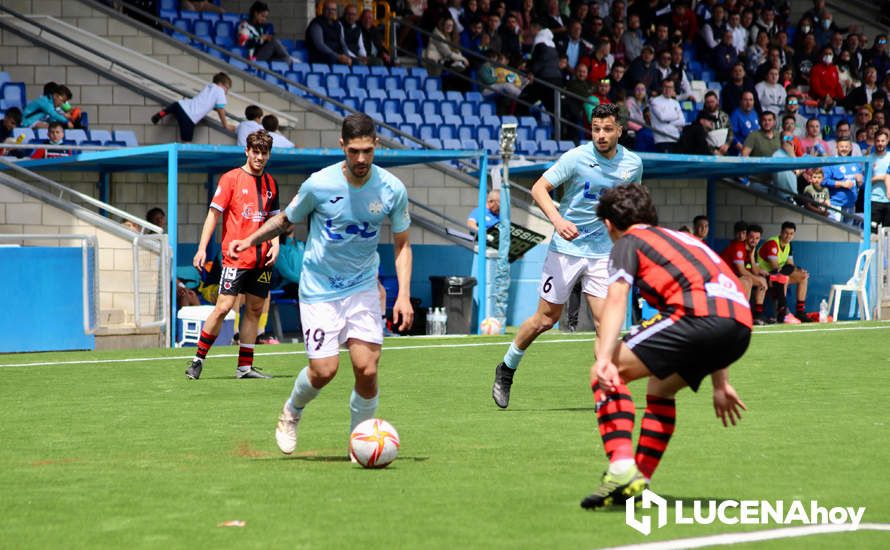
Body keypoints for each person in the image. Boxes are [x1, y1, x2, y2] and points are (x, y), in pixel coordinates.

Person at [228, 113, 414, 456]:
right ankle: (291, 411)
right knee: (324, 370)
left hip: (362, 288)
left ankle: (360, 440)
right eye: (354, 151)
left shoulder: (391, 189)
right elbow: (285, 219)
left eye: (368, 151)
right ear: (342, 146)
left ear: (377, 146)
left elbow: (402, 243)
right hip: (319, 289)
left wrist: (403, 294)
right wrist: (250, 240)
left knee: (367, 368)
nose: (361, 159)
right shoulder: (318, 184)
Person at [580, 183, 751, 509]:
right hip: (740, 325)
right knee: (660, 389)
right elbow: (718, 299)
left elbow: (617, 297)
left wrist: (604, 356)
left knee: (607, 370)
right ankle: (637, 484)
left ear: (608, 225)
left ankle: (620, 469)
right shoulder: (683, 239)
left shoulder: (629, 242)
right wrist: (721, 382)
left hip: (698, 316)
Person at [491, 104, 643, 409]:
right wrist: (558, 222)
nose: (601, 135)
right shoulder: (576, 157)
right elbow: (539, 188)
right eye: (596, 129)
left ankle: (604, 390)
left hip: (603, 253)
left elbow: (630, 203)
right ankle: (506, 369)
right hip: (566, 250)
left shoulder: (633, 164)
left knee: (606, 324)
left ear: (619, 131)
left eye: (607, 129)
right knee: (545, 319)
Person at [183, 130, 280, 380]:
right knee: (224, 307)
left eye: (264, 152)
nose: (259, 157)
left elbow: (274, 220)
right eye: (255, 152)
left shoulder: (271, 183)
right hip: (235, 258)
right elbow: (213, 215)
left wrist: (276, 243)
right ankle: (197, 360)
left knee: (255, 310)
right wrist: (202, 248)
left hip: (262, 260)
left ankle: (244, 367)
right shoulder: (230, 179)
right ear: (247, 151)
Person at [151, 72, 236, 142]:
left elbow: (207, 102)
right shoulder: (220, 91)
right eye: (227, 88)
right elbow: (220, 109)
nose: (226, 91)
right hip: (189, 117)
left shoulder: (209, 86)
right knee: (187, 141)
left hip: (181, 105)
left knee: (171, 108)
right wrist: (226, 125)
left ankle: (160, 114)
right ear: (221, 84)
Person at [757, 221, 810, 324]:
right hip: (764, 276)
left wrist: (799, 270)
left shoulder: (789, 245)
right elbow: (775, 267)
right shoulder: (772, 243)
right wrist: (790, 269)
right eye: (786, 233)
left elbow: (790, 265)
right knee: (783, 277)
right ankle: (782, 314)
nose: (788, 236)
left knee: (803, 276)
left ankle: (800, 312)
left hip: (778, 275)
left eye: (791, 234)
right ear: (781, 232)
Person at [720, 221, 768, 324]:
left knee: (761, 280)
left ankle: (758, 314)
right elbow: (742, 271)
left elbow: (755, 271)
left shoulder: (750, 249)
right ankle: (743, 315)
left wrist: (752, 255)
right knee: (748, 281)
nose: (754, 240)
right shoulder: (739, 247)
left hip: (733, 277)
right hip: (721, 278)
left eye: (757, 238)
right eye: (751, 237)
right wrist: (758, 281)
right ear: (747, 236)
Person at [822, 137, 863, 223]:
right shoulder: (831, 162)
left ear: (851, 147)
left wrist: (860, 181)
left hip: (851, 206)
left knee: (848, 233)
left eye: (846, 147)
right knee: (834, 232)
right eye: (841, 147)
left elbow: (862, 184)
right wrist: (842, 184)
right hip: (835, 205)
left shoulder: (855, 163)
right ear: (836, 147)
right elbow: (824, 181)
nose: (844, 149)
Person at [306, 1, 352, 66]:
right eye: (328, 9)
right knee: (333, 59)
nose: (331, 12)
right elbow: (320, 45)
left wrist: (348, 57)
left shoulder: (337, 24)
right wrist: (338, 57)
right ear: (323, 10)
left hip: (337, 55)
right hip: (321, 56)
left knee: (354, 62)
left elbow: (342, 43)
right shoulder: (316, 23)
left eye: (333, 9)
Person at [649, 79, 684, 154]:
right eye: (666, 87)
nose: (668, 90)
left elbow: (682, 121)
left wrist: (669, 121)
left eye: (670, 87)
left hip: (675, 138)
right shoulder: (655, 101)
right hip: (661, 140)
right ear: (662, 87)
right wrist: (676, 115)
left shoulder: (675, 102)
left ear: (673, 89)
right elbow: (662, 117)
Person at [870, 129, 890, 227]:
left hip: (889, 200)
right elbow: (865, 182)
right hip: (874, 199)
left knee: (888, 233)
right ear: (874, 141)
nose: (880, 143)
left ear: (887, 141)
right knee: (873, 233)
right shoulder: (869, 158)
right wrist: (879, 178)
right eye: (878, 141)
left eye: (883, 141)